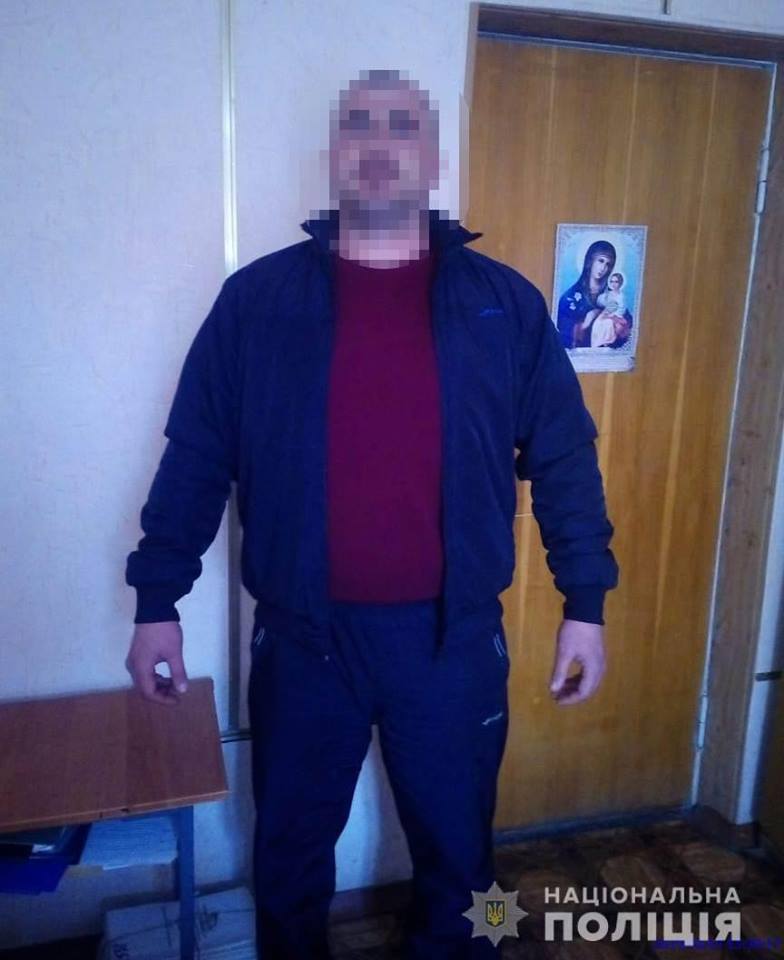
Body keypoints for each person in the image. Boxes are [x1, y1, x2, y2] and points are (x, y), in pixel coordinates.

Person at [124, 68, 619, 959]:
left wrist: (585, 602)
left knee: (467, 865)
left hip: (453, 643)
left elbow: (564, 458)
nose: (380, 145)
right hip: (302, 643)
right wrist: (156, 600)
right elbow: (197, 456)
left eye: (402, 126)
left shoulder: (503, 305)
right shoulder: (257, 303)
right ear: (335, 154)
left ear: (431, 158)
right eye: (360, 124)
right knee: (287, 860)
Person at [556, 241, 632, 349]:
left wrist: (619, 326)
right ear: (590, 261)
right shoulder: (570, 297)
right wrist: (584, 324)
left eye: (608, 264)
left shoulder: (613, 295)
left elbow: (627, 324)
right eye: (600, 261)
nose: (603, 268)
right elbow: (561, 328)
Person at [588, 272, 627, 348]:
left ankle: (606, 342)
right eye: (612, 281)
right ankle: (597, 344)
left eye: (616, 282)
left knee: (608, 323)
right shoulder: (607, 294)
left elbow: (621, 309)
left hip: (616, 316)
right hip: (606, 313)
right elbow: (601, 303)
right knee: (597, 323)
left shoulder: (621, 296)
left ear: (620, 283)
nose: (613, 284)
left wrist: (612, 315)